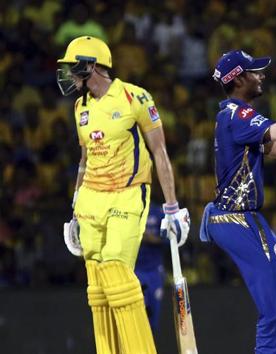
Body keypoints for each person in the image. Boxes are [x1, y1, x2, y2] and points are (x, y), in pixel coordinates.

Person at [57, 36, 190, 354]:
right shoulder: (80, 107)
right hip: (91, 199)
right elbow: (84, 159)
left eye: (73, 69)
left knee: (117, 273)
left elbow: (159, 151)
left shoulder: (135, 97)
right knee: (97, 287)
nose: (69, 77)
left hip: (128, 194)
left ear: (90, 65)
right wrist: (76, 207)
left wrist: (171, 207)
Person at [200, 50, 276, 353]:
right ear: (239, 79)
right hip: (236, 219)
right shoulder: (237, 114)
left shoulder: (237, 117)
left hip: (246, 220)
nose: (262, 76)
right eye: (255, 71)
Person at [135, 204, 166, 334]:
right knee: (137, 310)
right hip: (135, 269)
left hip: (154, 270)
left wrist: (153, 239)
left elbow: (171, 239)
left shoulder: (158, 212)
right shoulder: (130, 209)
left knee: (153, 312)